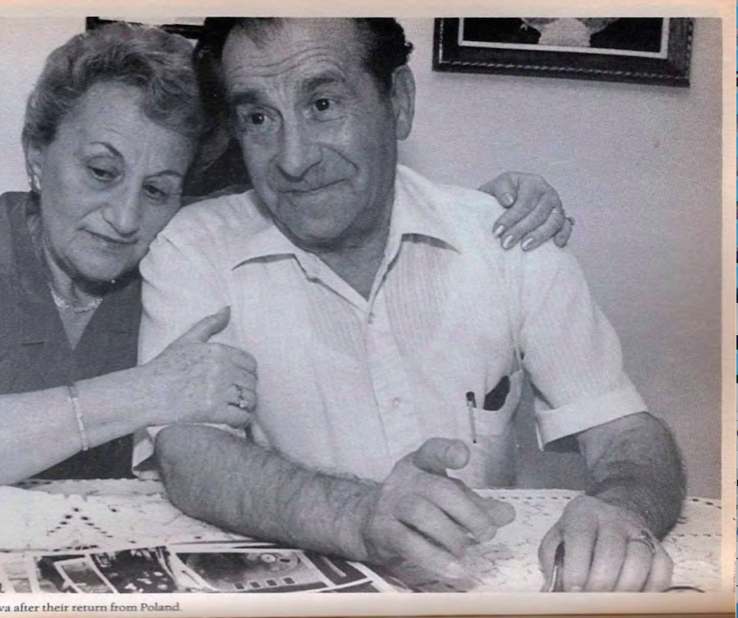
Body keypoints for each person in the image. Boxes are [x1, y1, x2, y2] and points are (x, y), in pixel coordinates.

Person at [0, 22, 569, 486]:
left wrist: (492, 205)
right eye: (101, 172)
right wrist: (145, 392)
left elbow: (319, 196)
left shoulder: (187, 260)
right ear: (36, 153)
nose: (127, 217)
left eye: (159, 187)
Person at [137, 18, 685, 593]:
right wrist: (355, 517)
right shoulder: (193, 249)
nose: (293, 159)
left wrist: (623, 509)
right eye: (258, 118)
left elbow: (625, 435)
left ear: (397, 102)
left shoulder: (507, 238)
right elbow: (189, 451)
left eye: (322, 104)